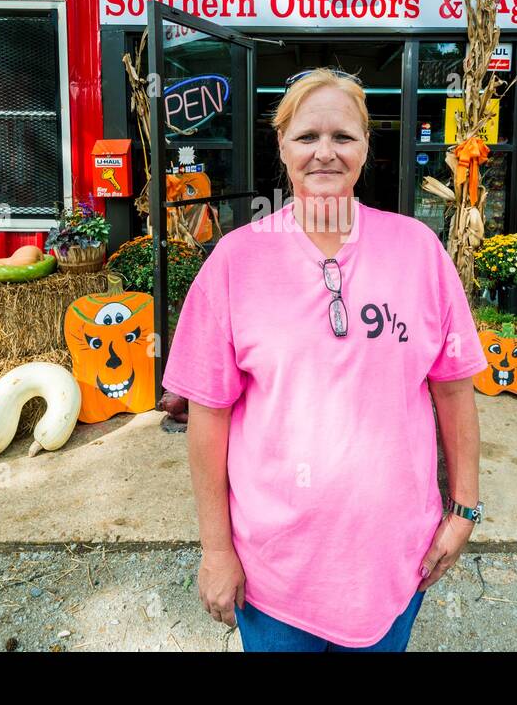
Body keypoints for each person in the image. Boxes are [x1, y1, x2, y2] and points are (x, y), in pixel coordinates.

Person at [162, 68, 488, 652]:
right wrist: (216, 549)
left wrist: (463, 508)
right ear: (282, 147)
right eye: (307, 136)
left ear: (366, 148)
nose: (325, 153)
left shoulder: (419, 251)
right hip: (276, 570)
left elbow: (453, 389)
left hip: (394, 559)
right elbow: (207, 417)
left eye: (343, 136)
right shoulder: (237, 262)